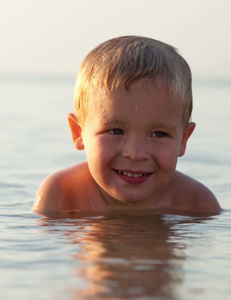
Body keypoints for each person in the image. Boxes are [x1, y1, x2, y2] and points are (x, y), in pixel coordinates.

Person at [33, 36, 221, 216]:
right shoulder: (63, 195)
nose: (136, 154)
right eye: (116, 131)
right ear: (78, 132)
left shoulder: (196, 203)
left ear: (183, 139)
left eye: (159, 134)